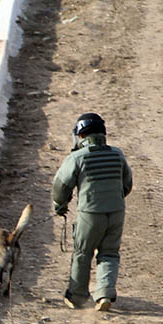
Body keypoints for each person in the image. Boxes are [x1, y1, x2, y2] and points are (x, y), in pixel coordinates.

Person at [52, 113, 132, 312]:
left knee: (82, 253)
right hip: (116, 212)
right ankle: (104, 293)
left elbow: (61, 186)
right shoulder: (117, 154)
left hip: (90, 214)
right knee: (110, 253)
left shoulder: (77, 157)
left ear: (80, 135)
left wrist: (60, 205)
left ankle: (78, 296)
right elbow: (127, 184)